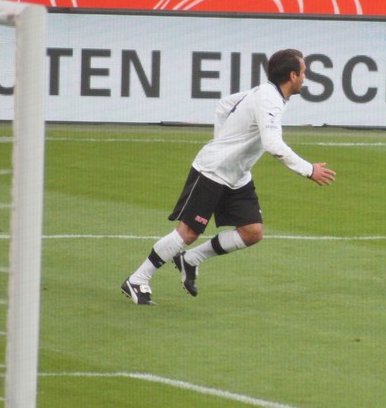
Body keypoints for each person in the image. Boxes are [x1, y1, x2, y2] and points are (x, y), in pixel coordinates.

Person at [122, 49, 336, 305]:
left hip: (237, 175)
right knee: (188, 232)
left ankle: (190, 259)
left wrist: (224, 141)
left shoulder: (267, 94)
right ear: (292, 76)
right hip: (213, 172)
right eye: (303, 72)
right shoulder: (269, 100)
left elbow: (224, 104)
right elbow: (273, 144)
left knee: (252, 232)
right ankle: (137, 279)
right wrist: (309, 170)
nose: (305, 77)